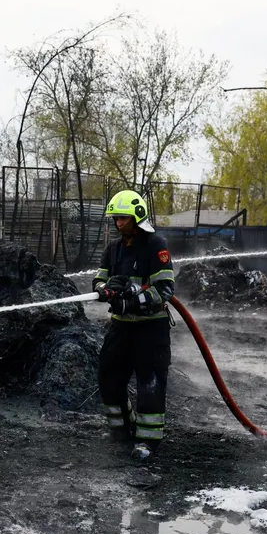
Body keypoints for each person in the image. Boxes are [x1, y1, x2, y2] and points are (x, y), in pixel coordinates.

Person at [91, 190, 175, 462]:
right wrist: (106, 289)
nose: (118, 223)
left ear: (137, 217)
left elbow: (165, 289)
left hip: (151, 329)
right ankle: (121, 430)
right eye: (115, 219)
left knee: (149, 383)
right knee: (108, 376)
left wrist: (135, 300)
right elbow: (98, 281)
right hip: (120, 329)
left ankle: (148, 441)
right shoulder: (113, 249)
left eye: (123, 219)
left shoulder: (155, 246)